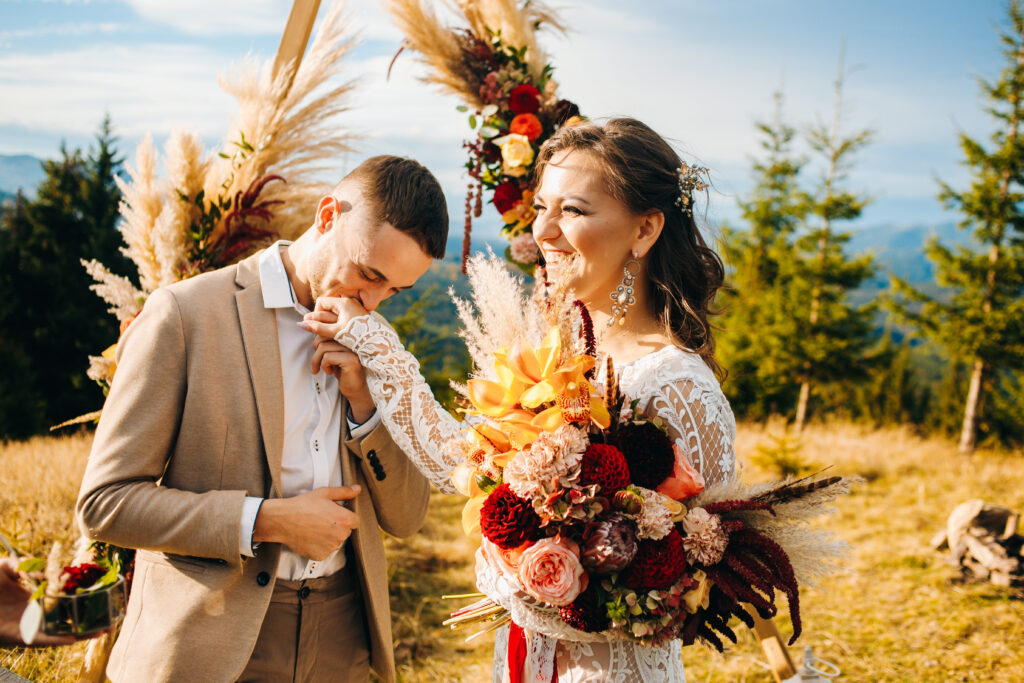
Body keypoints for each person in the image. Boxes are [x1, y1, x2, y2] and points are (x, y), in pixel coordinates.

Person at [301, 119, 737, 682]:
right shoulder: (554, 353)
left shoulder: (678, 385)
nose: (545, 232)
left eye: (574, 211)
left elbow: (703, 579)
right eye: (543, 208)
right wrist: (378, 356)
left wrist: (537, 577)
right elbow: (461, 465)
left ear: (645, 229)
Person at [75, 155, 447, 683]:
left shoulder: (374, 340)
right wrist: (266, 520)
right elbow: (105, 504)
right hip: (211, 639)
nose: (372, 301)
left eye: (393, 291)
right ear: (326, 216)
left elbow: (408, 518)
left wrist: (365, 404)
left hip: (345, 637)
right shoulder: (184, 315)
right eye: (369, 274)